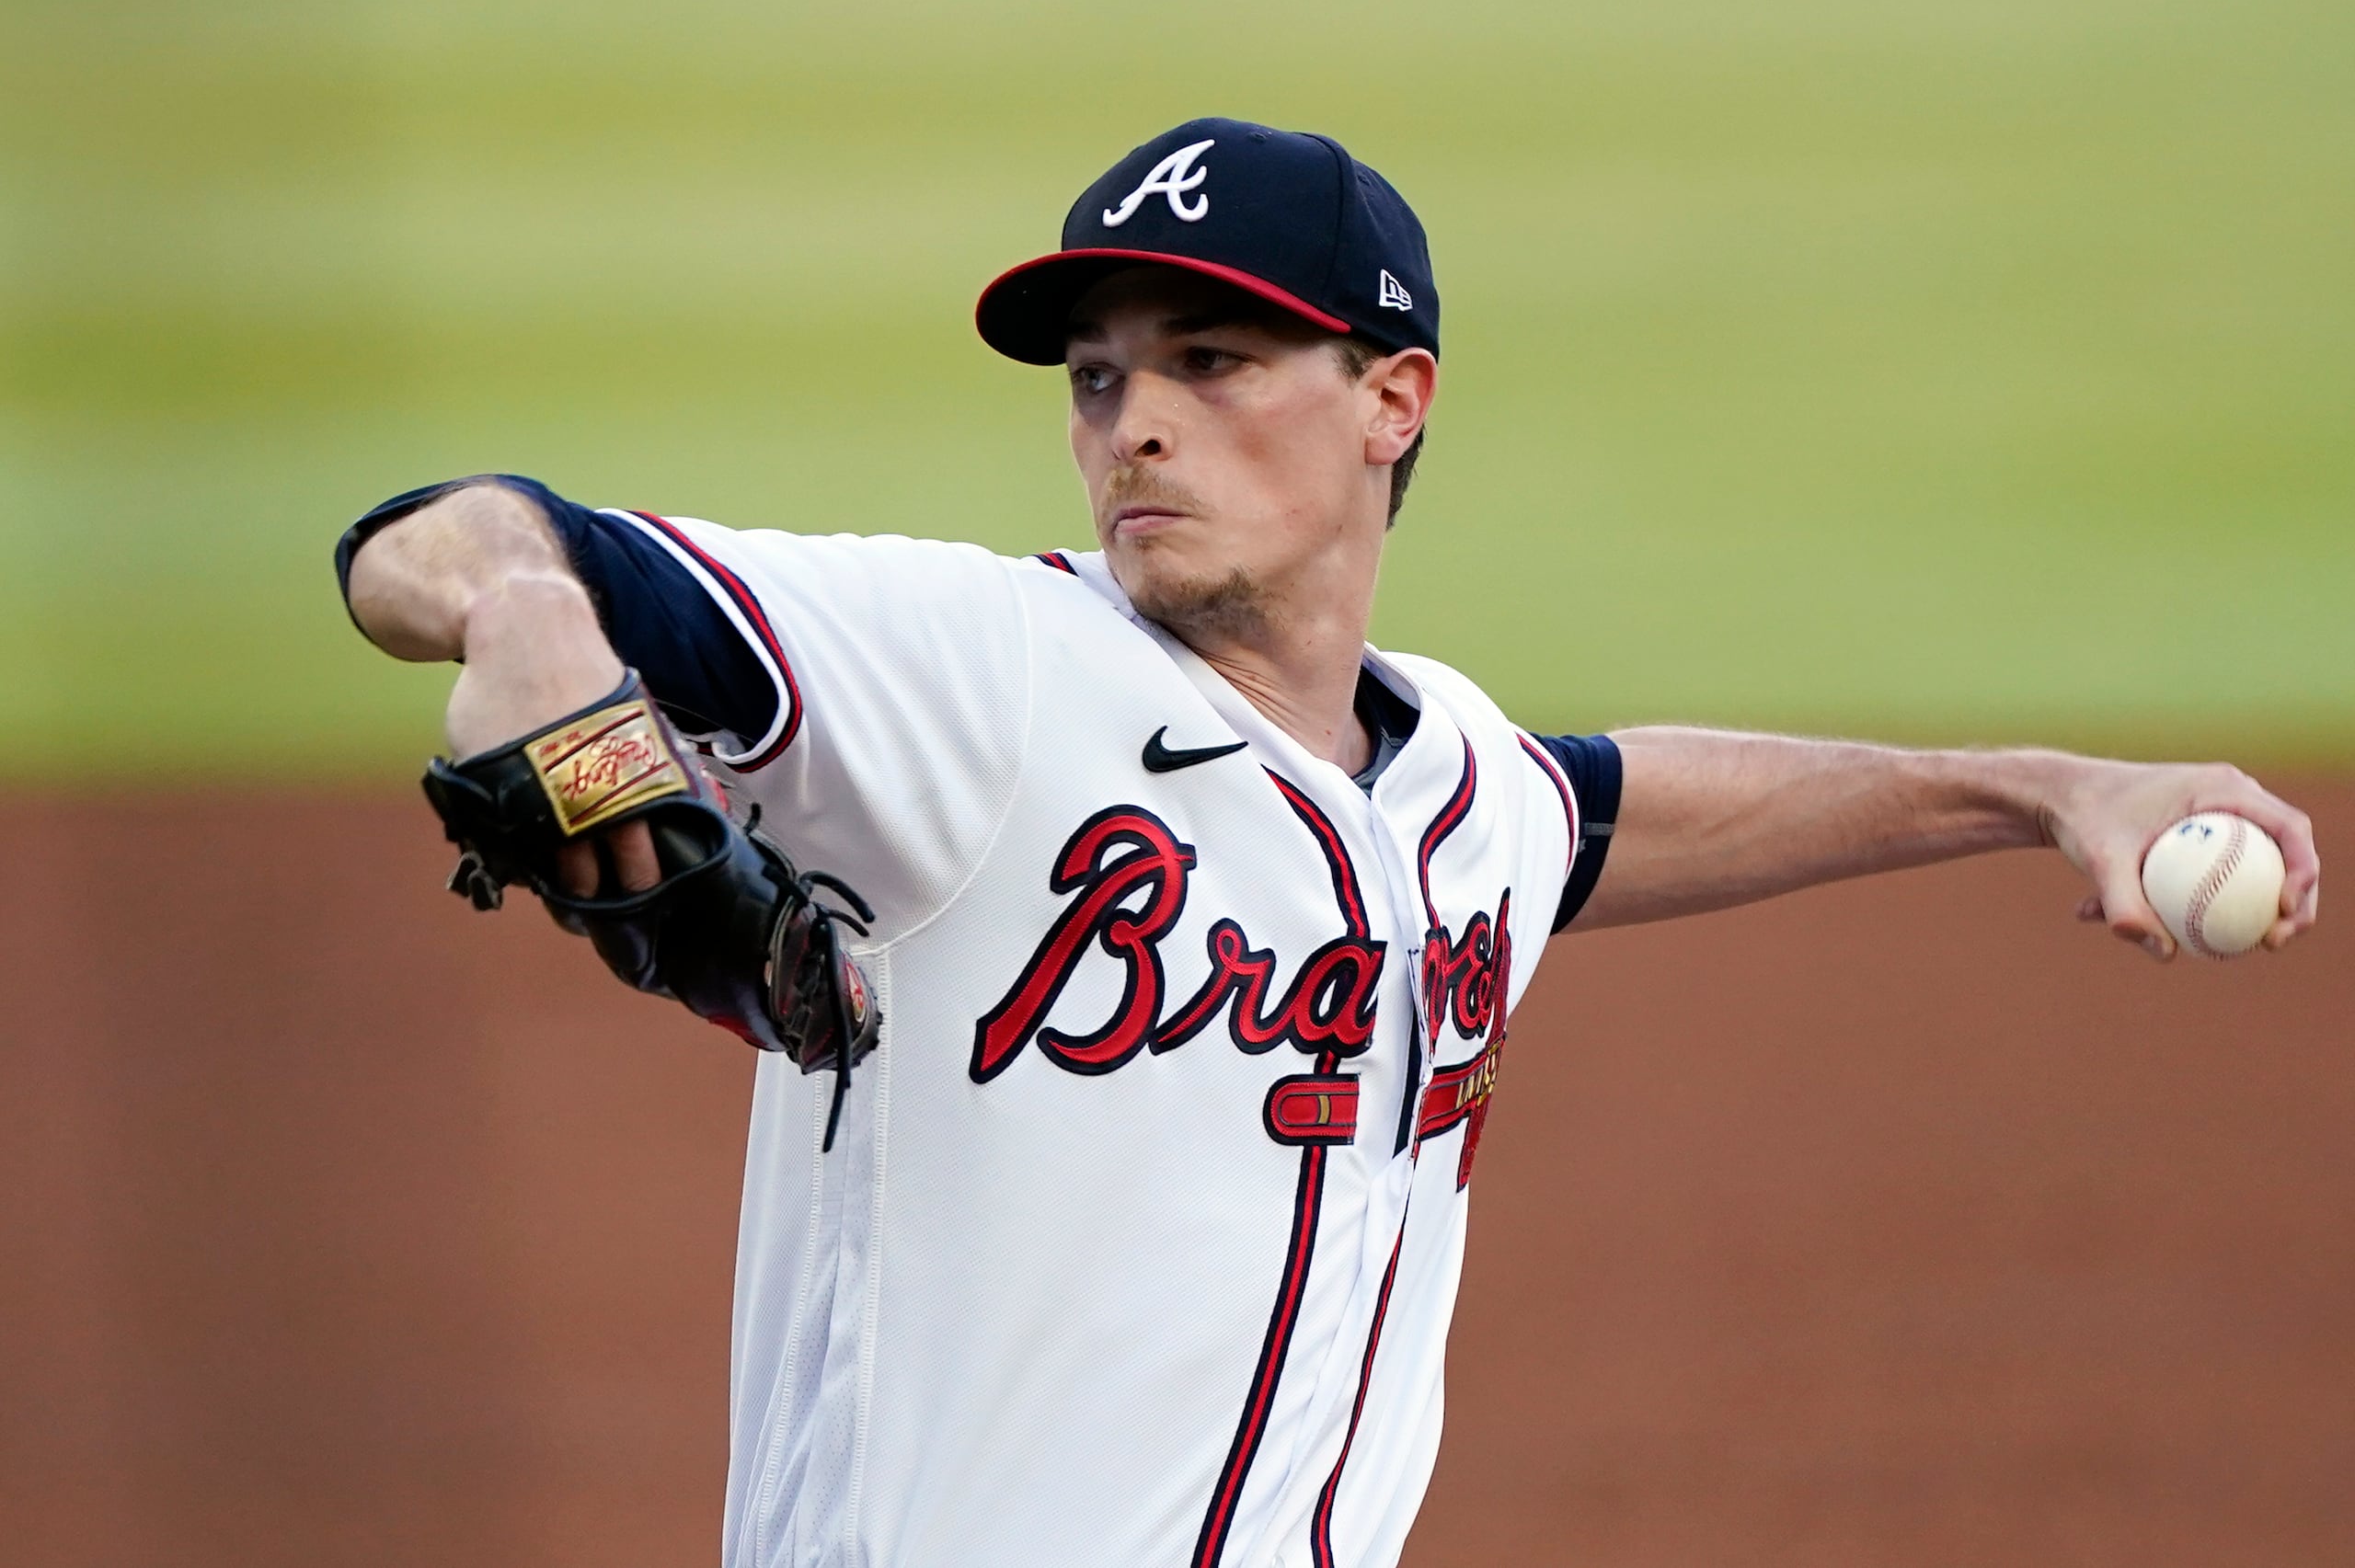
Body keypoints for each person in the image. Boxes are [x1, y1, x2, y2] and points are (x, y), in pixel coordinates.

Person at [335, 119, 2321, 1568]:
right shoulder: (978, 676)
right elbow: (441, 539)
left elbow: (1604, 806)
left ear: (1392, 400)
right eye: (1100, 374)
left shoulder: (1444, 780)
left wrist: (2044, 787)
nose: (1133, 424)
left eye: (1208, 363)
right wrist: (530, 629)